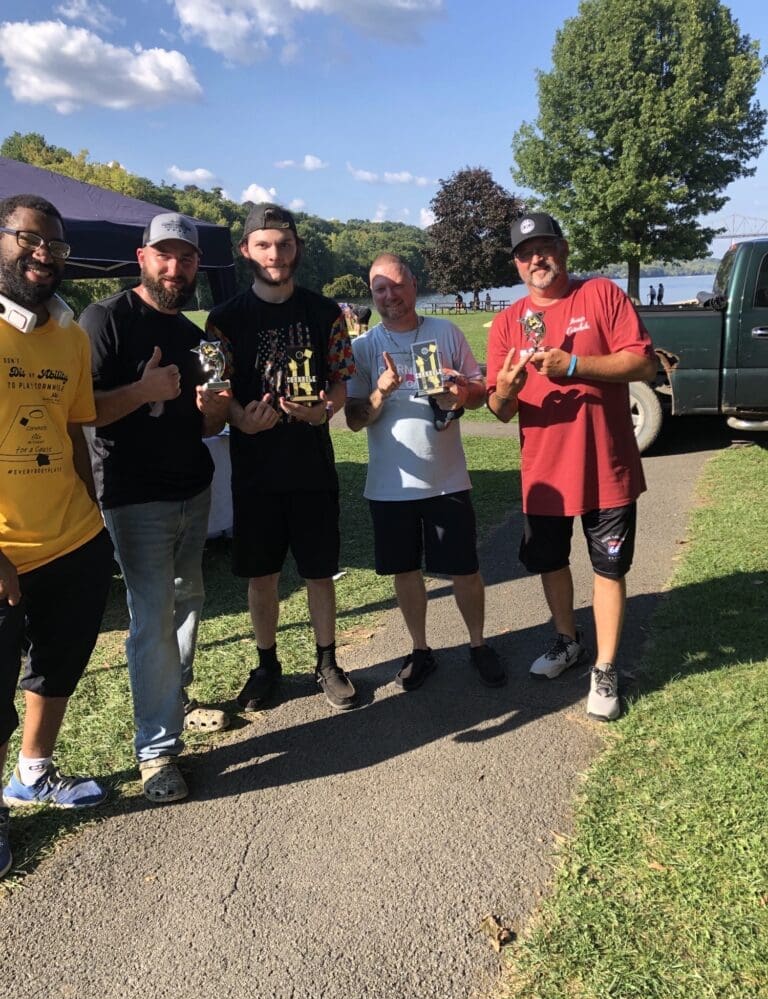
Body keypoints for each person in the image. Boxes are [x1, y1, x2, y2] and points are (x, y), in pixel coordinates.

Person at [79, 214, 231, 803]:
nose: (176, 268)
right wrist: (143, 392)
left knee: (189, 599)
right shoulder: (106, 319)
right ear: (142, 256)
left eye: (187, 258)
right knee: (152, 616)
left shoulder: (198, 338)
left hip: (193, 489)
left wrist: (213, 405)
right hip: (133, 496)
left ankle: (174, 702)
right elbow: (83, 408)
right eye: (165, 256)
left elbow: (209, 425)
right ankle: (156, 752)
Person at [486, 212, 657, 721]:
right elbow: (499, 409)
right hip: (544, 475)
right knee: (550, 561)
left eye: (545, 246)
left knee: (608, 566)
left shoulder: (601, 295)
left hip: (606, 466)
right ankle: (568, 640)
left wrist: (575, 366)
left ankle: (604, 668)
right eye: (525, 252)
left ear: (563, 248)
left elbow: (644, 362)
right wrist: (507, 391)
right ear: (516, 264)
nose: (536, 258)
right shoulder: (506, 321)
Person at [206, 204, 358, 711]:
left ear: (298, 248)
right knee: (262, 576)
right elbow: (216, 393)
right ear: (246, 250)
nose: (276, 254)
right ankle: (267, 664)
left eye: (286, 244)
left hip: (311, 464)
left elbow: (340, 380)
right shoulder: (225, 319)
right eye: (265, 244)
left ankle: (327, 661)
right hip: (255, 472)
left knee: (319, 572)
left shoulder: (324, 312)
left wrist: (325, 412)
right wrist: (240, 419)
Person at [0, 194, 113, 874]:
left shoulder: (69, 336)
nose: (44, 254)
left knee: (58, 667)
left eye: (56, 246)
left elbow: (74, 430)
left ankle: (33, 772)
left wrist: (95, 520)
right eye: (29, 239)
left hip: (74, 541)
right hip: (5, 551)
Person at [345, 253, 506, 690]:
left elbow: (477, 392)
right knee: (405, 571)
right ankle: (420, 649)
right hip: (389, 486)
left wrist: (461, 394)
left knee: (465, 569)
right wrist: (379, 393)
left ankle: (477, 644)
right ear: (372, 294)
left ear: (414, 285)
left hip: (447, 480)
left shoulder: (445, 332)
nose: (390, 295)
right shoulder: (363, 348)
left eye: (397, 285)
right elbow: (354, 418)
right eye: (380, 289)